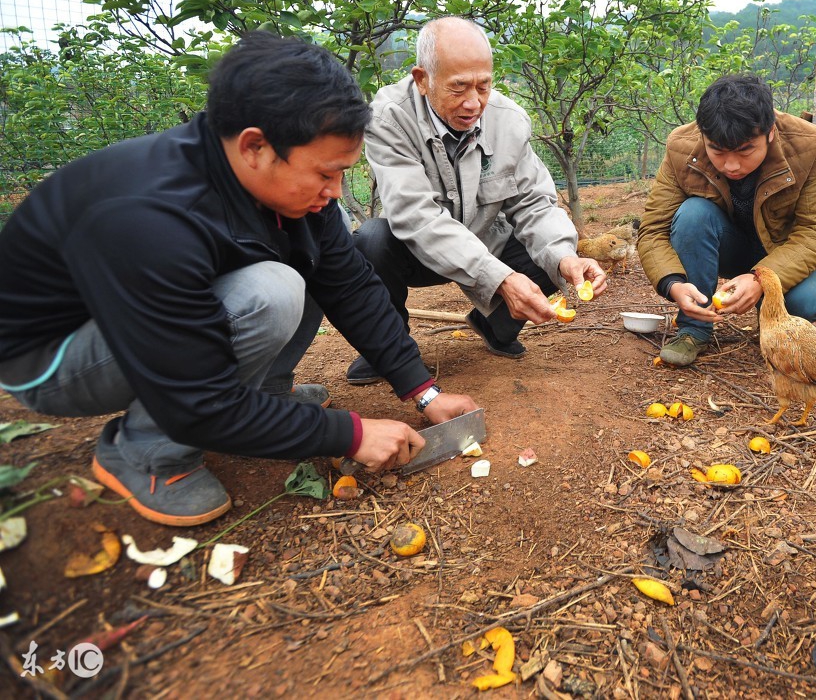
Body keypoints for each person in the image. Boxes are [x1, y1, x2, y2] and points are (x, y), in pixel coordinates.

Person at [0, 32, 476, 527]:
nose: (335, 190)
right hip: (50, 358)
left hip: (143, 325)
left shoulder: (270, 183)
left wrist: (423, 391)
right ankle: (146, 452)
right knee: (269, 292)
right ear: (255, 146)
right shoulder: (148, 217)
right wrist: (349, 435)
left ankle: (264, 399)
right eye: (325, 174)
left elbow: (349, 284)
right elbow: (198, 401)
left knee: (310, 252)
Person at [345, 16, 605, 382]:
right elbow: (415, 216)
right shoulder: (390, 118)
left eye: (484, 86)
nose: (474, 102)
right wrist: (499, 279)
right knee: (371, 240)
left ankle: (495, 325)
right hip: (416, 250)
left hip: (485, 240)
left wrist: (564, 257)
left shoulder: (508, 120)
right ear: (422, 79)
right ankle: (388, 347)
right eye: (459, 87)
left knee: (549, 253)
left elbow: (534, 202)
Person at [637, 74, 816, 367]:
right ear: (703, 136)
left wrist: (761, 279)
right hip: (729, 246)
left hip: (783, 248)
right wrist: (672, 284)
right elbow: (653, 229)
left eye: (745, 150)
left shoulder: (808, 144)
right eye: (717, 151)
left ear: (770, 132)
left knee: (805, 302)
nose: (731, 165)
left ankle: (774, 326)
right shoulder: (682, 146)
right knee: (693, 214)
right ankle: (694, 329)